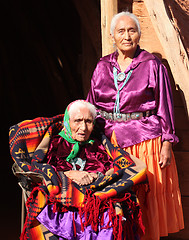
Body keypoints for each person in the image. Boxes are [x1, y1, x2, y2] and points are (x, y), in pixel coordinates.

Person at [86, 11, 184, 240]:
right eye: (121, 31)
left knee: (146, 199)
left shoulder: (152, 65)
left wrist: (167, 142)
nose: (127, 36)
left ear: (139, 35)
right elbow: (91, 103)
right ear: (112, 36)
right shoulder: (101, 67)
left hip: (145, 142)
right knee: (113, 202)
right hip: (109, 144)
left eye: (132, 30)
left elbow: (164, 104)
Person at [36, 100, 144, 240]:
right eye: (78, 121)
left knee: (109, 215)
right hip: (65, 197)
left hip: (95, 196)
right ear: (67, 122)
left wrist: (96, 176)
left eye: (88, 121)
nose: (83, 128)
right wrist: (70, 174)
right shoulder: (56, 144)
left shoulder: (97, 145)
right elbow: (45, 169)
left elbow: (110, 169)